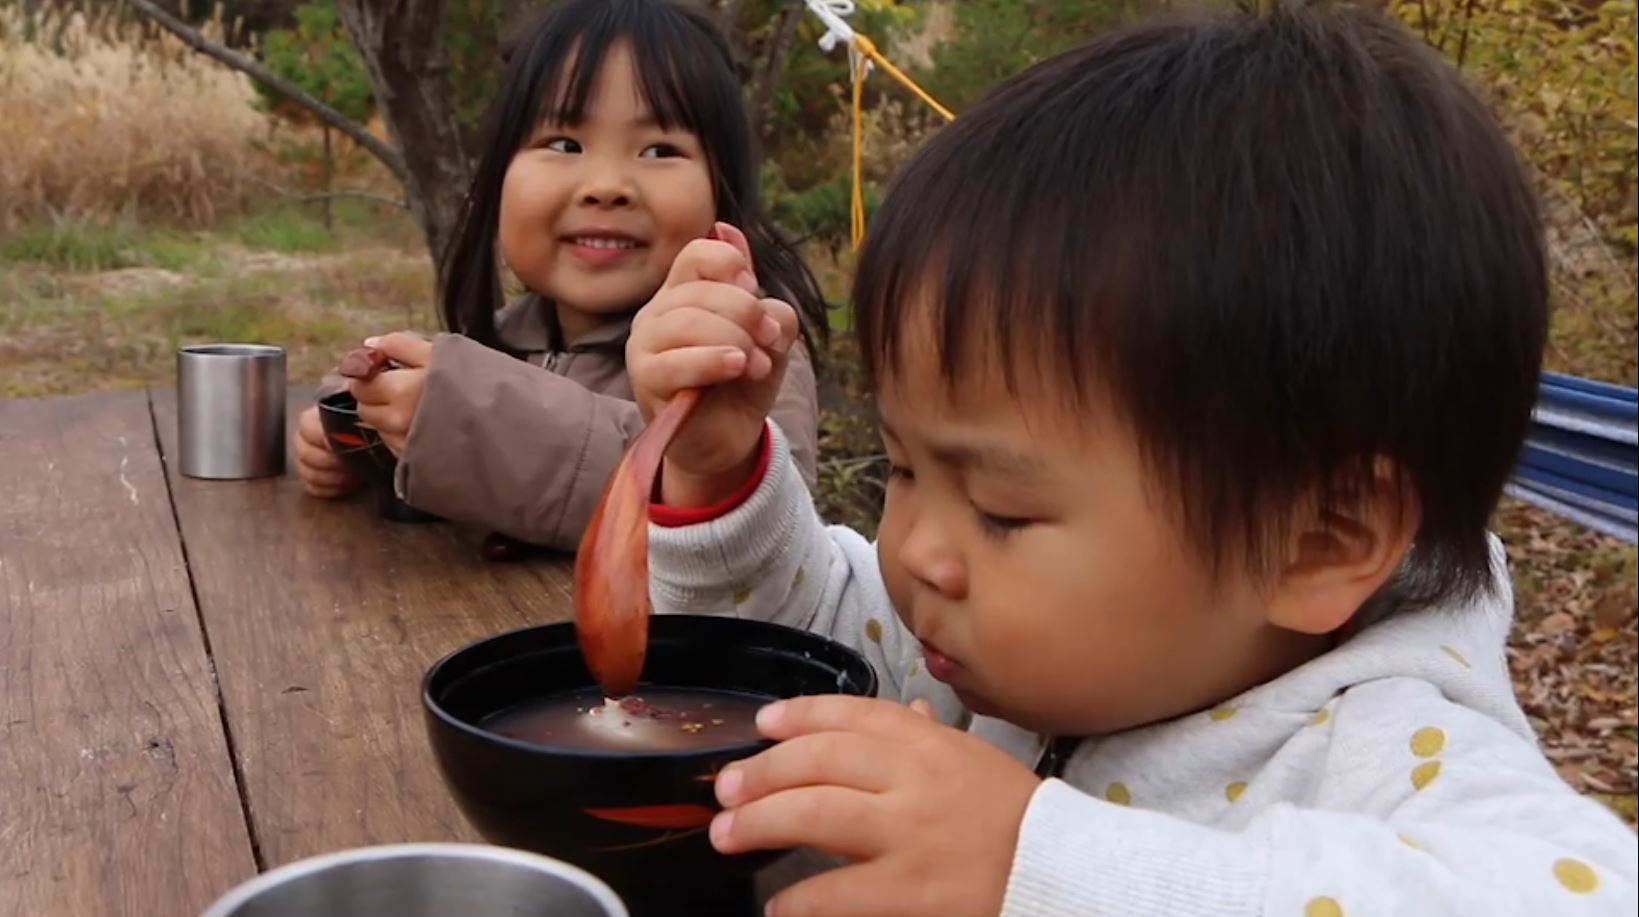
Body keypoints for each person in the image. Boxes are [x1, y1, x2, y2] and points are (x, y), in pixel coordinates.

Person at [625, 4, 1639, 915]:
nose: (916, 549)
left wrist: (1044, 865)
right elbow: (816, 664)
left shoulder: (1382, 757)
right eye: (902, 468)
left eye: (1004, 509)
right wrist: (719, 479)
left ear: (1320, 539)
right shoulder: (997, 648)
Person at [291, 0, 827, 551]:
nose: (606, 185)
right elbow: (432, 388)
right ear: (494, 181)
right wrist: (362, 428)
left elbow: (760, 532)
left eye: (659, 149)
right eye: (564, 144)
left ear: (723, 195)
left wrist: (475, 428)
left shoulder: (746, 356)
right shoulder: (509, 333)